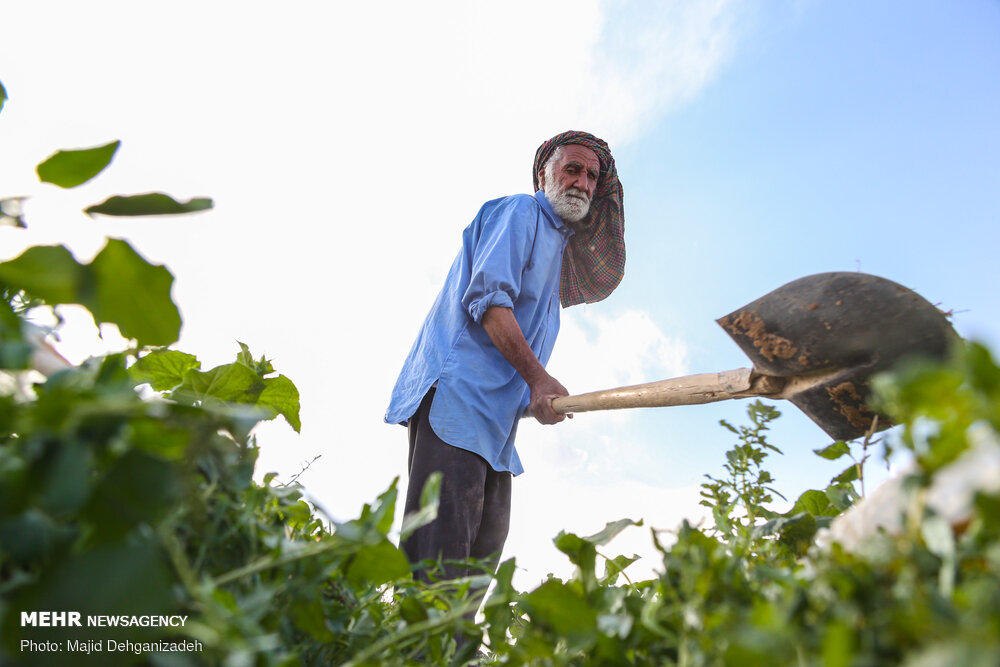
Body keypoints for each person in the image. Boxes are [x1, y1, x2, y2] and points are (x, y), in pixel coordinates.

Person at [384, 130, 626, 595]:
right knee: (438, 565)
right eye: (572, 169)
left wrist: (533, 399)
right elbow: (490, 303)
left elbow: (515, 363)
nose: (582, 183)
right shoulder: (521, 212)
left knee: (478, 564)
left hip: (495, 429)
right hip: (457, 403)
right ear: (544, 175)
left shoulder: (556, 261)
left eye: (592, 176)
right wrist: (539, 379)